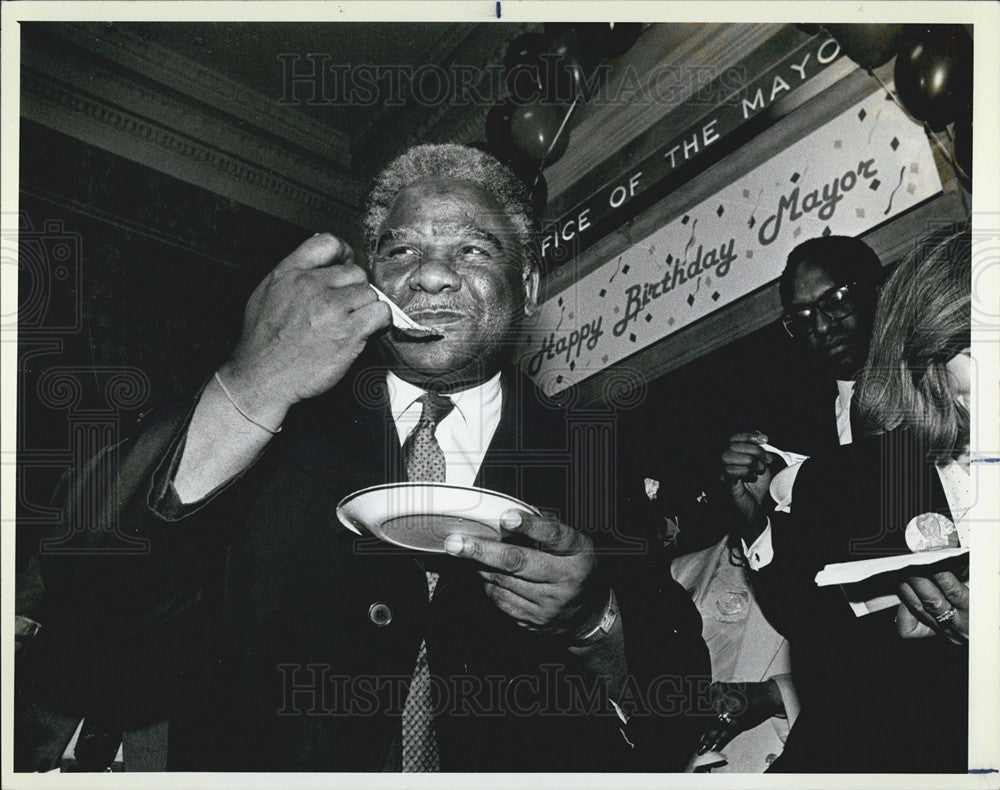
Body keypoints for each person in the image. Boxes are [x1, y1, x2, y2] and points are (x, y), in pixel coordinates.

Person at [16, 144, 708, 772]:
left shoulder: (593, 455)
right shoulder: (269, 418)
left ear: (528, 286)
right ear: (372, 279)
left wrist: (593, 621)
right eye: (401, 253)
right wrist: (253, 385)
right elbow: (85, 589)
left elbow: (678, 701)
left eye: (473, 251)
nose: (431, 276)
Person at [736, 222, 972, 772]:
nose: (821, 324)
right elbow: (801, 616)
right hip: (854, 707)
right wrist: (753, 524)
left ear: (879, 290)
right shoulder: (791, 444)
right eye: (801, 318)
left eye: (836, 299)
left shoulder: (948, 397)